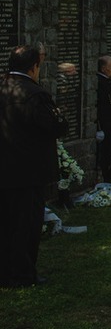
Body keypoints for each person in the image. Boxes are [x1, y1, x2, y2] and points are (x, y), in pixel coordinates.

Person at [0, 45, 68, 288]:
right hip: (27, 171)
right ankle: (21, 273)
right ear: (33, 67)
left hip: (5, 170)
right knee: (26, 225)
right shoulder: (34, 94)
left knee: (6, 223)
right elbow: (53, 126)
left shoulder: (3, 88)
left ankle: (6, 270)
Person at [95, 55, 111, 183]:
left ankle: (108, 178)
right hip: (105, 125)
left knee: (108, 153)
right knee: (104, 154)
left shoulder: (107, 81)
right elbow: (102, 107)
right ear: (103, 68)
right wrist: (100, 127)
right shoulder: (100, 82)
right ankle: (105, 179)